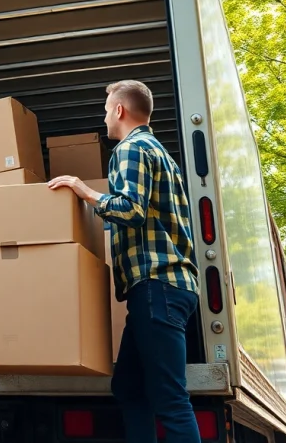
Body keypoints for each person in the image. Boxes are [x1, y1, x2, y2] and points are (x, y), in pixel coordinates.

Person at [47, 80, 201, 443]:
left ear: (119, 110)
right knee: (129, 387)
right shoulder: (160, 152)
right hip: (160, 288)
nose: (104, 119)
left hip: (158, 285)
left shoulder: (131, 149)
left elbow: (130, 208)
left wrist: (81, 189)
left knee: (170, 399)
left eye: (105, 111)